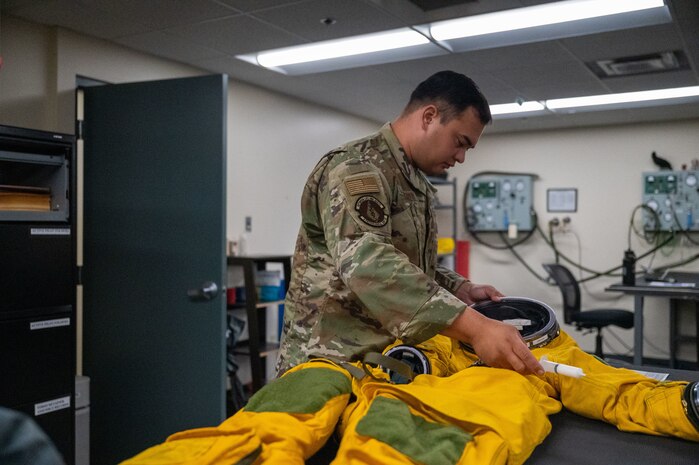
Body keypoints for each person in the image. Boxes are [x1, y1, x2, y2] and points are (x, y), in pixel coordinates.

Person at [119, 298, 699, 465]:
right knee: (314, 379)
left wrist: (686, 404)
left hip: (443, 414)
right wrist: (416, 359)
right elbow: (411, 354)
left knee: (432, 419)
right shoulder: (455, 335)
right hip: (362, 368)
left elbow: (618, 390)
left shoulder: (548, 356)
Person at [276, 70, 543, 378]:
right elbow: (367, 262)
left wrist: (460, 289)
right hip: (327, 360)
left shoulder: (411, 179)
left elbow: (406, 261)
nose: (460, 158)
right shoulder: (357, 168)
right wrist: (475, 327)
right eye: (460, 142)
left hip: (375, 359)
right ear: (429, 117)